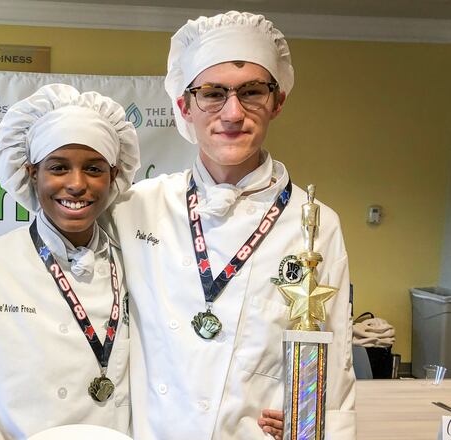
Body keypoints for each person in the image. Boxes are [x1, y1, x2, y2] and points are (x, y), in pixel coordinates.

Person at [105, 11, 356, 439]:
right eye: (213, 93)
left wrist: (309, 424)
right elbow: (45, 254)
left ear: (277, 102)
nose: (233, 113)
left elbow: (333, 365)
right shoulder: (137, 206)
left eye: (252, 92)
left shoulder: (315, 223)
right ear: (185, 106)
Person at [0, 83, 140, 439]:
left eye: (94, 169)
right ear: (31, 173)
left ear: (114, 176)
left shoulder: (136, 265)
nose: (76, 184)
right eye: (58, 167)